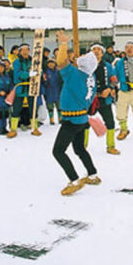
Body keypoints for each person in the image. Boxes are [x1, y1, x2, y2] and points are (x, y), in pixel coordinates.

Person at [51, 30, 101, 196]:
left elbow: (60, 62)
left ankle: (74, 180)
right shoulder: (91, 78)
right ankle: (92, 174)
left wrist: (64, 44)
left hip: (71, 120)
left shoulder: (75, 75)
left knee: (58, 151)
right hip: (82, 119)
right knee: (79, 148)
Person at [87, 43, 121, 154]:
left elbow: (114, 79)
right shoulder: (85, 66)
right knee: (83, 123)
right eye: (94, 49)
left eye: (99, 50)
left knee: (110, 122)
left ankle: (111, 146)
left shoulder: (108, 66)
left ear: (102, 53)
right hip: (89, 99)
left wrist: (110, 88)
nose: (96, 51)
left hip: (104, 98)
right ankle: (82, 146)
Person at [8, 43, 42, 138]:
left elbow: (39, 71)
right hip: (20, 88)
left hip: (32, 87)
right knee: (17, 109)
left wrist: (39, 72)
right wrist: (29, 74)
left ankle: (34, 128)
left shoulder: (33, 61)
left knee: (33, 108)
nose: (25, 52)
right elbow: (18, 74)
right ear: (20, 51)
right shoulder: (16, 62)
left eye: (27, 49)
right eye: (23, 50)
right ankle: (13, 129)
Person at [42, 58, 62, 125]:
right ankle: (51, 119)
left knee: (59, 106)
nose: (51, 64)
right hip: (49, 91)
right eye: (49, 63)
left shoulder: (59, 71)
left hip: (57, 90)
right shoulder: (45, 72)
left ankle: (60, 118)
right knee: (50, 107)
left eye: (52, 63)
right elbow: (44, 82)